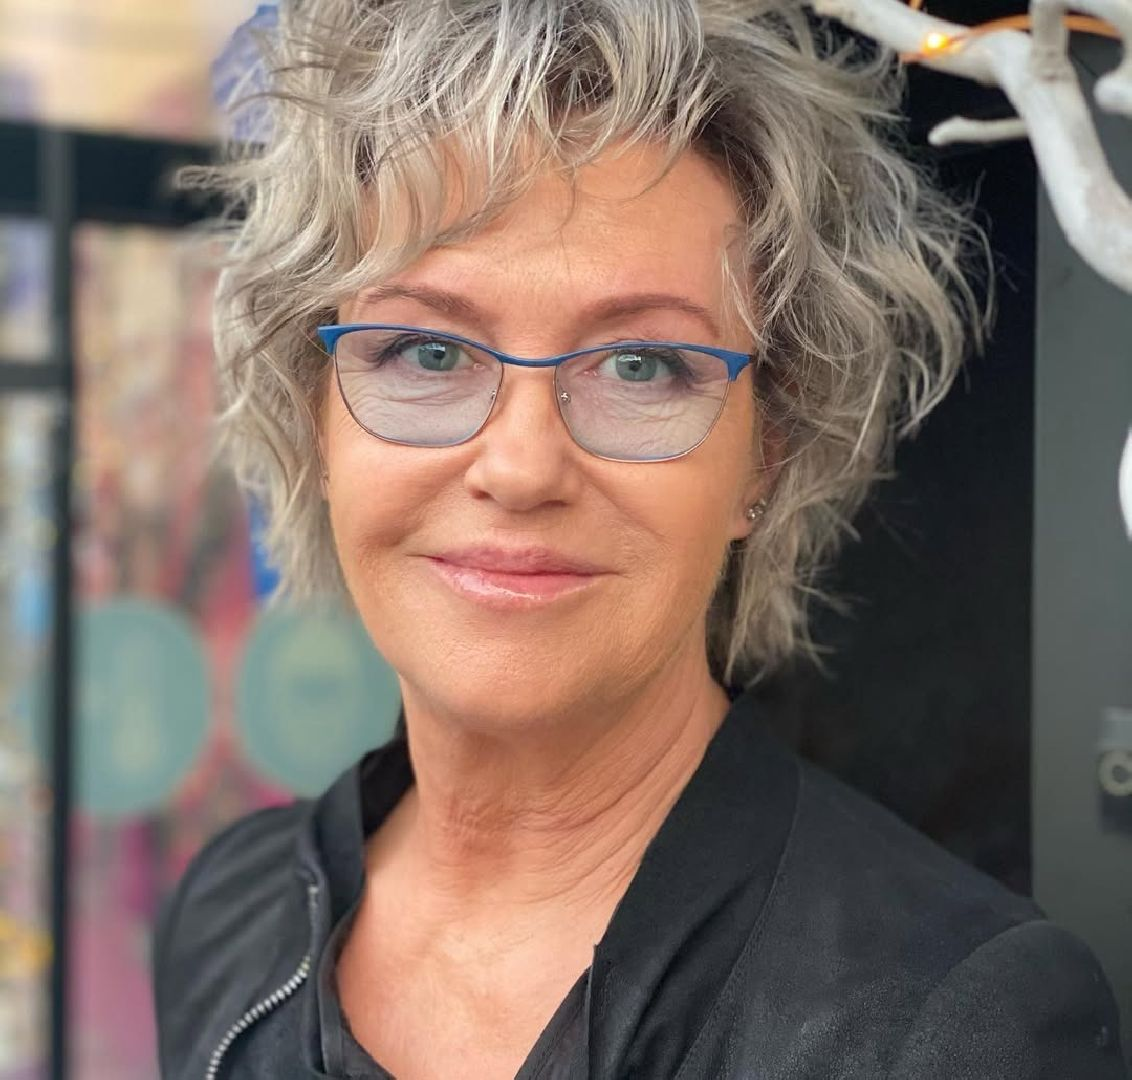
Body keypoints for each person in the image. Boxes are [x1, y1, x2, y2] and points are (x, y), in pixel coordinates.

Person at [152, 1, 1128, 1077]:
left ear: (766, 454)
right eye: (427, 353)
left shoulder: (952, 1024)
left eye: (640, 367)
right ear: (315, 415)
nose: (521, 467)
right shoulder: (228, 919)